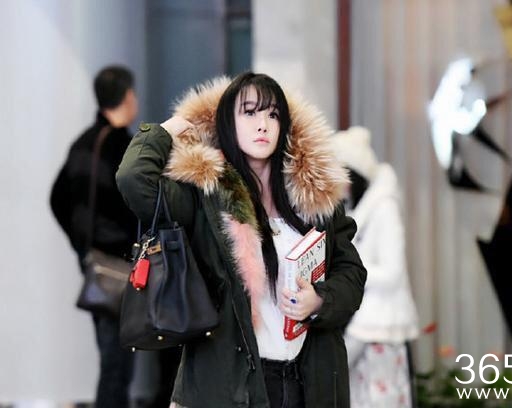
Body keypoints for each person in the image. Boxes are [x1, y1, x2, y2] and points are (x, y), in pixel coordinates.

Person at [116, 72, 367, 407]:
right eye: (249, 112)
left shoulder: (314, 198)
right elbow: (133, 180)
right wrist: (167, 130)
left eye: (273, 115)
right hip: (233, 385)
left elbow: (351, 272)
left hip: (309, 382)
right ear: (227, 122)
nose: (262, 124)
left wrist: (320, 300)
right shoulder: (205, 196)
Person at [50, 65, 139, 407]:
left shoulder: (83, 143)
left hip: (96, 265)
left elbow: (57, 199)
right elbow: (135, 207)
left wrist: (84, 246)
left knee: (113, 358)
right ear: (127, 97)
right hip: (121, 266)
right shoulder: (123, 147)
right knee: (117, 365)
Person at [331, 126, 419, 408]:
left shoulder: (384, 209)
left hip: (381, 324)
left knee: (383, 398)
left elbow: (393, 272)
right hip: (364, 323)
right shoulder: (359, 210)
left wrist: (351, 269)